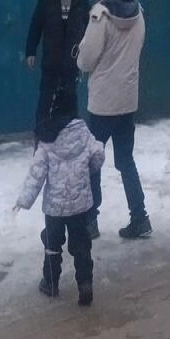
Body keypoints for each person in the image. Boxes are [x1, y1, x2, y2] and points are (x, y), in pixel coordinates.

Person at [77, 0, 149, 241]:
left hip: (103, 102)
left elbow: (86, 59)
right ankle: (140, 217)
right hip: (127, 99)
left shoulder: (101, 13)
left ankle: (90, 221)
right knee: (125, 160)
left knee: (92, 160)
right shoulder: (138, 11)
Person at [14, 90, 105, 307]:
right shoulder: (83, 132)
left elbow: (36, 174)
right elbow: (98, 154)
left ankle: (51, 282)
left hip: (54, 209)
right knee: (81, 244)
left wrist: (24, 200)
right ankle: (85, 284)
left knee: (52, 244)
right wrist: (90, 170)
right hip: (80, 204)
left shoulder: (47, 137)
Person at [25, 0, 90, 123]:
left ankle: (70, 135)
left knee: (70, 101)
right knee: (46, 101)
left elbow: (91, 26)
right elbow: (36, 25)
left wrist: (86, 54)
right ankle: (42, 135)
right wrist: (31, 51)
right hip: (51, 62)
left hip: (71, 62)